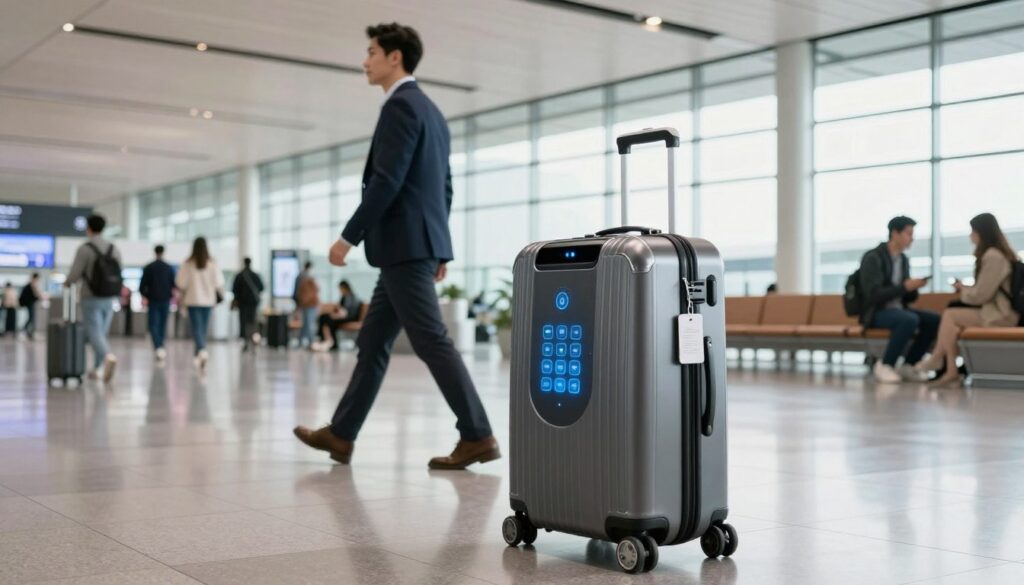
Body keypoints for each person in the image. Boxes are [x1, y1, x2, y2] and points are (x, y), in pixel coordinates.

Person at [294, 23, 498, 470]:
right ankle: (342, 434)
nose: (364, 61)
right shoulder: (432, 112)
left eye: (371, 52)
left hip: (404, 247)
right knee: (372, 342)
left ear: (394, 57)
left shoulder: (400, 107)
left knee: (431, 340)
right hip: (411, 248)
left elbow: (387, 181)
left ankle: (477, 433)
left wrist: (348, 237)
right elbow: (443, 187)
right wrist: (440, 248)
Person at [918, 213, 1020, 386]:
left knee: (951, 315)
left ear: (981, 232)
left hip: (1001, 315)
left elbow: (981, 296)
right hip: (998, 311)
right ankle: (950, 369)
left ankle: (939, 359)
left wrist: (963, 292)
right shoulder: (1000, 254)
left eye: (973, 231)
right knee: (952, 324)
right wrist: (965, 288)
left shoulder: (992, 256)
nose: (970, 235)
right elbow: (986, 290)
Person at [858, 216, 939, 384]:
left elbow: (906, 296)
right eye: (909, 234)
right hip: (876, 312)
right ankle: (886, 364)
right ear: (895, 233)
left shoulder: (903, 260)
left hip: (899, 309)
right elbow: (873, 294)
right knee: (909, 319)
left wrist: (913, 287)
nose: (912, 238)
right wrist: (904, 287)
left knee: (934, 320)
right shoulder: (873, 257)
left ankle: (909, 364)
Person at [65, 214, 121, 382]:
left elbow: (75, 274)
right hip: (109, 297)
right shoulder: (113, 248)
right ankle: (97, 368)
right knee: (101, 333)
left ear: (88, 228)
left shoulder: (85, 249)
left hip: (90, 297)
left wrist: (67, 283)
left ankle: (108, 356)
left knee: (94, 332)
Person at [175, 237, 225, 370]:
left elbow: (181, 283)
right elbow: (219, 282)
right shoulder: (212, 263)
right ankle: (199, 354)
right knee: (202, 328)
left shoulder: (188, 264)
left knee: (197, 328)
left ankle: (201, 350)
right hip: (208, 302)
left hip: (193, 300)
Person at [139, 245, 176, 361]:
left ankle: (158, 346)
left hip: (153, 300)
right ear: (163, 252)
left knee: (153, 324)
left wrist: (145, 296)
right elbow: (173, 284)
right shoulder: (168, 267)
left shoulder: (149, 267)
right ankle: (160, 346)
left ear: (154, 252)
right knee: (162, 324)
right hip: (165, 300)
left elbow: (142, 285)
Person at [313, 280, 362, 352]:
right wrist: (337, 313)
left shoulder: (352, 297)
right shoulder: (343, 297)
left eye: (341, 289)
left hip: (350, 317)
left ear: (345, 288)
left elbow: (348, 312)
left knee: (331, 320)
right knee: (323, 316)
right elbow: (340, 308)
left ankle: (332, 342)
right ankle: (322, 338)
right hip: (343, 316)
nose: (340, 291)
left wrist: (339, 314)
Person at [231, 257, 265, 352]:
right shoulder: (255, 275)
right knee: (252, 322)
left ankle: (245, 340)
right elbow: (262, 287)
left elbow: (234, 289)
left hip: (242, 304)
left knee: (243, 322)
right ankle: (253, 339)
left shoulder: (239, 276)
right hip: (253, 303)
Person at [294, 261, 320, 348]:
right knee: (309, 323)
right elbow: (317, 289)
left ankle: (301, 341)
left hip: (304, 303)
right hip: (310, 303)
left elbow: (296, 292)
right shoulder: (310, 278)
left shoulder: (299, 276)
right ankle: (310, 341)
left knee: (306, 323)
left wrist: (298, 303)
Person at [19, 273, 42, 340]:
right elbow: (36, 294)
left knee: (31, 318)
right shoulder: (32, 284)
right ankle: (25, 330)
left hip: (30, 303)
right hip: (30, 303)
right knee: (31, 318)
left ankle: (29, 332)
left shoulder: (30, 284)